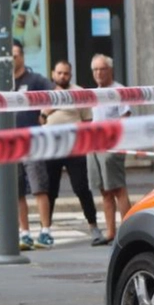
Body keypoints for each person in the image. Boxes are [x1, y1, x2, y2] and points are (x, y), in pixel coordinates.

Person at [0, 39, 53, 250]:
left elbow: (54, 96)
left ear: (23, 56)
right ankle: (24, 232)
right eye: (9, 56)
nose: (12, 59)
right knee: (17, 191)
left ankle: (45, 232)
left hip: (31, 141)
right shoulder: (1, 81)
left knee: (39, 187)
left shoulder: (34, 79)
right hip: (9, 144)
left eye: (15, 55)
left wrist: (43, 114)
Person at [40, 60, 104, 243]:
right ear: (53, 74)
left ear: (71, 75)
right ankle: (46, 230)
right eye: (59, 73)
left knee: (82, 188)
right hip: (52, 148)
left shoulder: (79, 93)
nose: (62, 76)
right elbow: (39, 120)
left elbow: (87, 121)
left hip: (74, 148)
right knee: (49, 190)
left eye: (66, 73)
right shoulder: (45, 94)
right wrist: (48, 112)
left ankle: (93, 227)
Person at [89, 54, 134, 246]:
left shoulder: (118, 91)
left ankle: (127, 230)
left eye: (102, 69)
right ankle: (110, 232)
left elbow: (126, 116)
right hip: (93, 145)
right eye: (95, 70)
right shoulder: (93, 92)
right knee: (103, 190)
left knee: (117, 188)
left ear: (110, 70)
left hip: (112, 145)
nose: (99, 73)